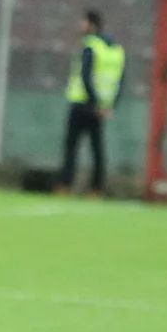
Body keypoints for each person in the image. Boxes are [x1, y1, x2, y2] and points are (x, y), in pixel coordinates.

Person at [58, 10, 126, 196]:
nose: (80, 26)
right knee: (97, 149)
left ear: (92, 25)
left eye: (83, 22)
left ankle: (65, 185)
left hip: (82, 103)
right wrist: (108, 106)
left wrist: (94, 102)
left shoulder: (91, 46)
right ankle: (97, 188)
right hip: (102, 107)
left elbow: (86, 77)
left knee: (72, 146)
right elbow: (120, 80)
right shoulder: (117, 50)